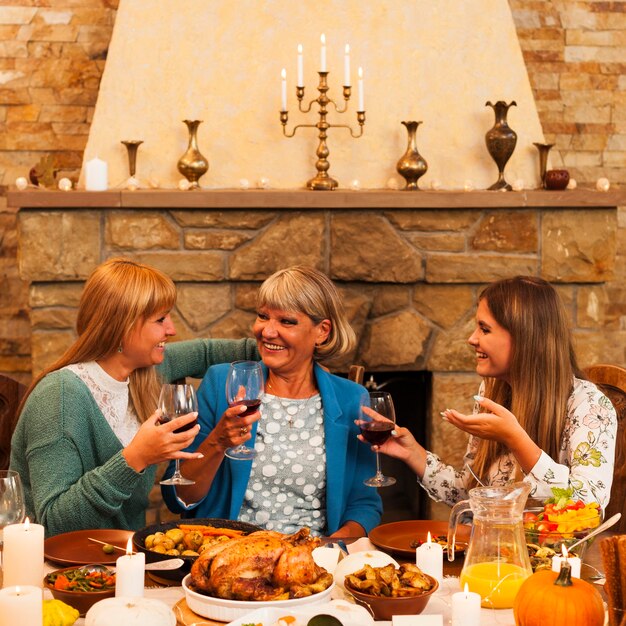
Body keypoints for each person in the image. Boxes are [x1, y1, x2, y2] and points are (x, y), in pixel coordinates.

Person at [10, 257, 257, 536]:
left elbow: (209, 352)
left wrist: (280, 344)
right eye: (160, 319)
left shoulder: (146, 371)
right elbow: (54, 524)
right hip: (59, 570)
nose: (171, 329)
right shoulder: (59, 397)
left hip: (123, 560)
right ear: (122, 325)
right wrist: (134, 458)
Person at [162, 265, 382, 537]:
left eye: (286, 321)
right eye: (263, 316)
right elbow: (179, 497)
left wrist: (328, 549)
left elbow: (364, 505)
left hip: (310, 562)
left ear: (322, 331)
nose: (266, 332)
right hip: (229, 555)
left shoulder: (351, 399)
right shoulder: (222, 384)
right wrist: (218, 441)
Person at [362, 275, 617, 509]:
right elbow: (471, 494)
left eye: (484, 329)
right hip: (495, 551)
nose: (472, 339)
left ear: (524, 338)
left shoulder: (590, 406)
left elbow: (589, 508)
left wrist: (516, 439)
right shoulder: (493, 392)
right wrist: (412, 453)